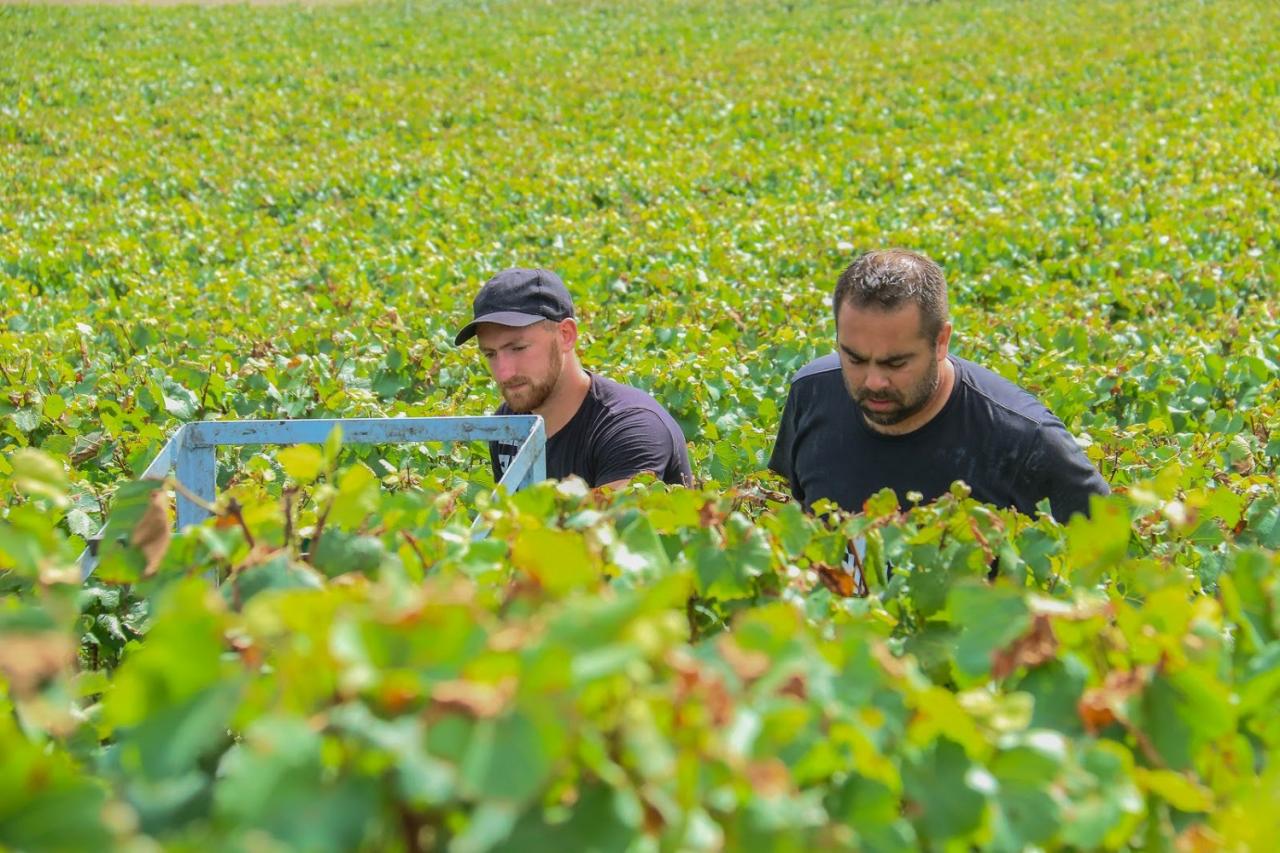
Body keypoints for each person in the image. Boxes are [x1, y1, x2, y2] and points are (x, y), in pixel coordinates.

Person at [769, 249, 1109, 524]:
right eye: (855, 358)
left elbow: (1108, 565)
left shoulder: (1027, 440)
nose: (873, 381)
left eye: (895, 363)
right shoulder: (811, 393)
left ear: (941, 341)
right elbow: (802, 517)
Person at [455, 267, 692, 489]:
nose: (504, 373)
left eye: (518, 348)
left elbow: (609, 530)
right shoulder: (509, 425)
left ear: (566, 336)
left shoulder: (630, 429)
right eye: (490, 354)